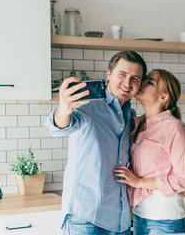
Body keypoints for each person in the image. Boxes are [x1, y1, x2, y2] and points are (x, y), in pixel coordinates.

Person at [44, 50, 147, 235]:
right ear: (109, 73)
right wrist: (63, 108)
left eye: (135, 78)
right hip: (85, 219)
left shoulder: (130, 116)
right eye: (122, 75)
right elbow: (58, 127)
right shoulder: (88, 104)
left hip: (120, 221)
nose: (127, 83)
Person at [113, 69, 185, 235]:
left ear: (163, 97)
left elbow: (184, 179)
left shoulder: (175, 128)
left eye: (150, 82)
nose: (141, 83)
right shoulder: (135, 123)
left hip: (166, 217)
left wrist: (139, 182)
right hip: (139, 215)